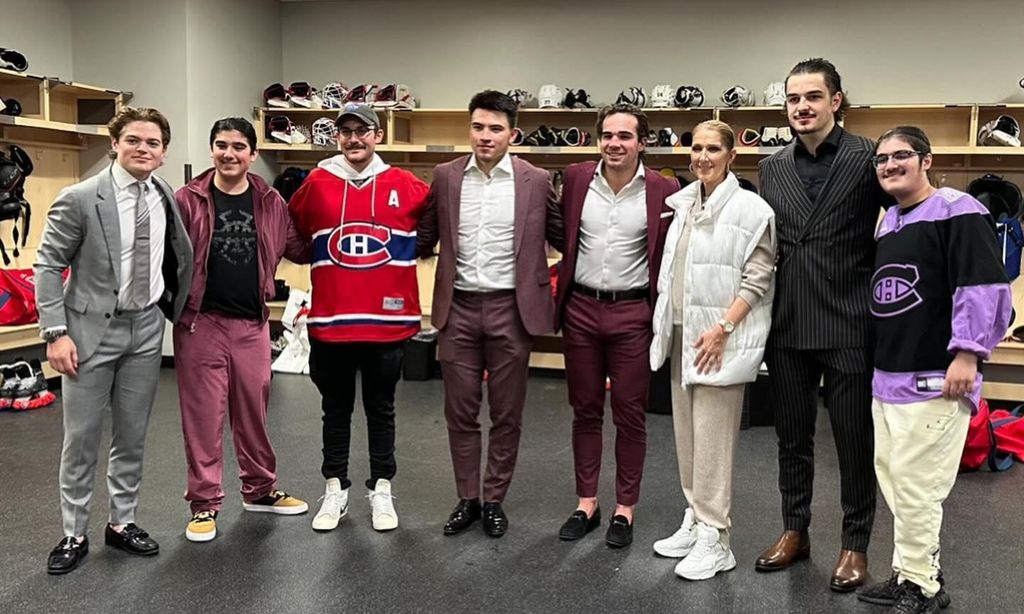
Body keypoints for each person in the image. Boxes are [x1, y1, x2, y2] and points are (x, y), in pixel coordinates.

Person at [857, 126, 1011, 614]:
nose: (889, 165)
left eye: (901, 155)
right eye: (881, 159)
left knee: (918, 486)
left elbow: (984, 285)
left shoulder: (958, 210)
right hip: (889, 378)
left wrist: (968, 353)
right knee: (898, 481)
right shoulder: (891, 222)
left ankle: (922, 587)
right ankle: (910, 570)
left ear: (927, 159)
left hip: (935, 378)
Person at [36, 107, 193, 574]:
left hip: (145, 329)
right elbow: (47, 266)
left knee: (132, 434)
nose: (143, 149)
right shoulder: (81, 197)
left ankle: (122, 523)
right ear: (115, 144)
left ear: (163, 153)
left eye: (153, 143)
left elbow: (177, 256)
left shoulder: (164, 194)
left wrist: (172, 312)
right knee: (81, 438)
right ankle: (73, 532)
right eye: (134, 140)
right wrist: (55, 333)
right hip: (87, 333)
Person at [755, 58, 889, 591]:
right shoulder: (771, 167)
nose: (802, 107)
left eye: (813, 96)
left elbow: (901, 220)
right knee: (793, 437)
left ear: (836, 101)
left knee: (854, 439)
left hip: (851, 320)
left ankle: (855, 544)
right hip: (788, 321)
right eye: (793, 99)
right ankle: (796, 529)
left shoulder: (868, 158)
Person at [417, 90, 563, 538]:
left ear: (512, 133)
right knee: (459, 412)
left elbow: (563, 235)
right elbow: (422, 235)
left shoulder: (535, 180)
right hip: (457, 307)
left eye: (496, 128)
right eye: (478, 127)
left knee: (507, 413)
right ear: (470, 129)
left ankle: (495, 497)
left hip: (511, 310)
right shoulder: (444, 177)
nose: (486, 136)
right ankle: (468, 497)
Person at [288, 103, 430, 533]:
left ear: (378, 135)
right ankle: (335, 488)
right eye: (345, 131)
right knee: (335, 410)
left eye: (362, 130)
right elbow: (292, 233)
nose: (354, 138)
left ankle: (381, 487)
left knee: (381, 409)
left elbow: (433, 229)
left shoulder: (406, 185)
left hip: (386, 324)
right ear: (337, 137)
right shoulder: (316, 183)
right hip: (332, 320)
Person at [173, 117, 311, 543]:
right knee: (203, 415)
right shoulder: (187, 199)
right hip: (200, 322)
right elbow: (162, 253)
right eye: (220, 145)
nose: (229, 153)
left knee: (254, 410)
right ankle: (204, 504)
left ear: (253, 154)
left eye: (238, 146)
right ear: (212, 149)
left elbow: (300, 247)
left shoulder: (271, 201)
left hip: (252, 323)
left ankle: (260, 489)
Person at [649, 120, 776, 580]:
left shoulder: (751, 209)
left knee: (713, 444)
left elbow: (758, 279)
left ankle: (717, 539)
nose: (703, 156)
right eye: (697, 148)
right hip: (684, 334)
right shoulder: (684, 205)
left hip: (720, 340)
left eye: (713, 149)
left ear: (731, 156)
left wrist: (724, 327)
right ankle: (696, 518)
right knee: (687, 439)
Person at [554, 103, 679, 548]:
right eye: (608, 135)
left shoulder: (664, 189)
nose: (615, 143)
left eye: (625, 136)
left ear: (642, 142)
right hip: (582, 310)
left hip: (631, 313)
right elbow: (558, 233)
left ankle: (625, 508)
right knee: (585, 410)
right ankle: (586, 502)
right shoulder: (574, 179)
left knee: (630, 414)